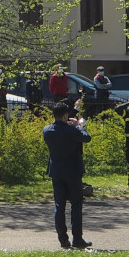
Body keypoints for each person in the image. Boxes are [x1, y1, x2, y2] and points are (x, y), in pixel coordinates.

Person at [42, 103, 92, 248]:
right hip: (73, 170)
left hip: (56, 171)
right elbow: (87, 138)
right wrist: (78, 125)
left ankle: (63, 239)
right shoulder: (72, 130)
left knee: (59, 205)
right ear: (65, 116)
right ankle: (77, 238)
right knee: (76, 204)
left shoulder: (47, 130)